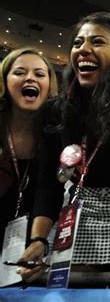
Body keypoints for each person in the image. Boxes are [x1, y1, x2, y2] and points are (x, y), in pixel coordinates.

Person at [18, 12, 110, 283]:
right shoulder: (55, 112)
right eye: (77, 42)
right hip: (77, 218)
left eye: (97, 42)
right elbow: (47, 185)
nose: (83, 49)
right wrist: (39, 239)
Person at [0, 47, 58, 252]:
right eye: (20, 72)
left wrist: (39, 241)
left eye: (39, 74)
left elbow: (52, 193)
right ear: (5, 82)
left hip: (35, 245)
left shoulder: (57, 133)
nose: (30, 79)